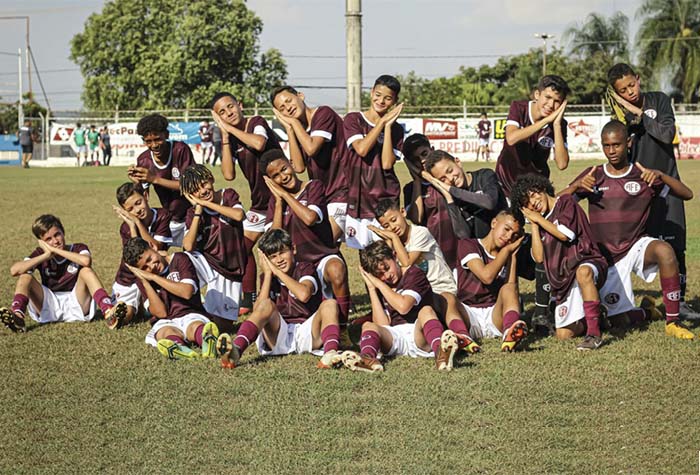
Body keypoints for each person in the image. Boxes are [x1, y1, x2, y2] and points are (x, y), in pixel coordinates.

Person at [560, 120, 695, 339]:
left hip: (635, 246)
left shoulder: (644, 175)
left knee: (665, 251)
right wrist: (575, 187)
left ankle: (673, 321)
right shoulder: (594, 174)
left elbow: (687, 194)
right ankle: (649, 312)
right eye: (606, 145)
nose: (611, 151)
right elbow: (556, 205)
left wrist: (660, 175)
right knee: (618, 322)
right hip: (606, 257)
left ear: (629, 143)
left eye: (617, 145)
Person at [606, 63, 698, 320]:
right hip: (637, 192)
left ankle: (678, 302)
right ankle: (619, 300)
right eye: (623, 91)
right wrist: (626, 122)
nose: (630, 92)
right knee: (628, 247)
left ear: (638, 78)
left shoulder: (659, 100)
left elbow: (667, 135)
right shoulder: (619, 118)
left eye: (631, 85)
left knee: (676, 246)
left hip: (668, 186)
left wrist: (640, 114)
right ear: (616, 93)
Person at [216, 229, 343, 370]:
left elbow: (304, 294)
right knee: (265, 304)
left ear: (293, 249)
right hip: (278, 335)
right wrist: (269, 274)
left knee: (330, 304)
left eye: (282, 252)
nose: (279, 260)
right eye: (273, 257)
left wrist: (277, 272)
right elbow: (259, 308)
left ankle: (330, 353)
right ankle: (236, 350)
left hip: (308, 332)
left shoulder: (305, 268)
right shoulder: (268, 278)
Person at [369, 199, 480, 355]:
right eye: (386, 226)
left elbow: (406, 262)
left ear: (403, 212)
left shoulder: (420, 233)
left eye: (394, 220)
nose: (392, 227)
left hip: (439, 288)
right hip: (415, 292)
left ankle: (463, 337)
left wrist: (392, 239)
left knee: (443, 300)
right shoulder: (391, 244)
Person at [511, 174, 608, 350]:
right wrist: (533, 224)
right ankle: (596, 316)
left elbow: (565, 234)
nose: (533, 203)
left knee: (583, 272)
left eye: (533, 195)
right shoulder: (540, 220)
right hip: (564, 279)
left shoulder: (565, 202)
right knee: (563, 335)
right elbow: (539, 258)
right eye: (527, 203)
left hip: (587, 262)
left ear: (541, 188)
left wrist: (538, 219)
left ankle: (594, 335)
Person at [340, 241, 465, 372]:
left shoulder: (414, 274)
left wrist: (379, 283)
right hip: (397, 335)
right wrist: (372, 288)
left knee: (426, 311)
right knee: (368, 325)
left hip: (421, 333)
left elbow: (403, 306)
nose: (386, 276)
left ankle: (441, 352)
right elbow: (382, 324)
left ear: (394, 256)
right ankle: (366, 359)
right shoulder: (380, 285)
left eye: (387, 268)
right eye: (379, 274)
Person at [209, 91, 283, 315]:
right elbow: (228, 175)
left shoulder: (255, 122)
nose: (228, 113)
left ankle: (275, 297)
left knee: (275, 249)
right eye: (222, 112)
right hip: (259, 203)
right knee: (241, 248)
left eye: (230, 107)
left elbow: (259, 144)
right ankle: (248, 297)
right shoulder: (230, 137)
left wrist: (230, 128)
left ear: (240, 105)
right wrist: (224, 135)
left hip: (279, 198)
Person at [260, 149, 352, 328]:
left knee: (336, 269)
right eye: (276, 176)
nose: (283, 176)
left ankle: (342, 328)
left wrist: (286, 195)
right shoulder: (274, 203)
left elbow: (310, 218)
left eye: (284, 169)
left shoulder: (313, 187)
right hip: (296, 263)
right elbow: (273, 239)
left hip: (321, 256)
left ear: (292, 165)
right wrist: (279, 203)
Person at [0, 214, 126, 333]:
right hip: (48, 304)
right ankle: (17, 316)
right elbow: (14, 270)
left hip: (77, 302)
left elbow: (86, 261)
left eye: (57, 235)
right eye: (48, 239)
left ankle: (109, 311)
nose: (55, 241)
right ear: (42, 242)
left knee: (86, 271)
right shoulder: (40, 254)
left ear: (63, 232)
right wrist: (45, 255)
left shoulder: (78, 248)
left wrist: (55, 250)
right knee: (25, 276)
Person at [271, 86, 350, 241]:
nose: (288, 108)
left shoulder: (323, 113)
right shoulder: (298, 128)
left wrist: (294, 123)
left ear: (300, 95)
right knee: (326, 249)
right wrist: (290, 129)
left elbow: (312, 148)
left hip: (343, 191)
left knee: (322, 242)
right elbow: (299, 168)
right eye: (282, 108)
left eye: (289, 101)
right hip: (322, 195)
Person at [122, 237, 220, 360]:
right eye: (144, 267)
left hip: (191, 313)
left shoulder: (179, 259)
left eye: (150, 259)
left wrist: (154, 277)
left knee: (195, 327)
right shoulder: (142, 279)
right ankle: (179, 349)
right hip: (166, 320)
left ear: (153, 247)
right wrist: (145, 281)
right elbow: (161, 313)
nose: (151, 267)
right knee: (165, 332)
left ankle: (207, 341)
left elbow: (187, 292)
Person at [180, 165, 247, 333]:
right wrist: (198, 210)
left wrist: (205, 203)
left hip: (230, 269)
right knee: (181, 259)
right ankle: (177, 310)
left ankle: (197, 315)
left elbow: (239, 215)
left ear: (211, 179)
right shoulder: (193, 212)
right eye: (196, 190)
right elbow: (188, 246)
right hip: (208, 264)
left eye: (204, 184)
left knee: (222, 327)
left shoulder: (228, 195)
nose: (203, 191)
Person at [342, 75, 404, 249]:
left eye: (388, 98)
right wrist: (382, 122)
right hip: (359, 198)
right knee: (364, 252)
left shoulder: (397, 129)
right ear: (371, 93)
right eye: (378, 95)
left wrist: (388, 127)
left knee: (387, 250)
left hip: (385, 197)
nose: (381, 101)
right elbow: (361, 149)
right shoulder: (353, 119)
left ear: (395, 101)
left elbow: (386, 164)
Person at [456, 210, 528, 352]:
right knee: (447, 298)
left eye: (514, 235)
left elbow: (511, 290)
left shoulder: (507, 253)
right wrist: (506, 251)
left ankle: (509, 333)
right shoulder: (468, 245)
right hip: (469, 314)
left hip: (494, 315)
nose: (508, 237)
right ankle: (462, 336)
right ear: (494, 223)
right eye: (506, 229)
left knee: (509, 288)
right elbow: (486, 276)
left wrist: (512, 257)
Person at [111, 182, 173, 328]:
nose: (137, 211)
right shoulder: (126, 228)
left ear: (146, 195)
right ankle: (117, 313)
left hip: (153, 273)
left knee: (167, 305)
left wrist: (137, 223)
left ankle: (143, 306)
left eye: (138, 203)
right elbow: (136, 254)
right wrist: (133, 226)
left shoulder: (162, 216)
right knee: (128, 313)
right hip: (130, 278)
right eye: (130, 209)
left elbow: (157, 248)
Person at [128, 113, 194, 247]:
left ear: (167, 135)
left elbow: (191, 185)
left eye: (158, 139)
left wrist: (154, 179)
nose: (154, 145)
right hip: (168, 218)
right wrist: (136, 182)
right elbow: (143, 197)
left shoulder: (180, 150)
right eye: (148, 141)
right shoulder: (144, 160)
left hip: (191, 215)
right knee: (155, 255)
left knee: (190, 257)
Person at [421, 150, 507, 241]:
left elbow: (489, 202)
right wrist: (449, 198)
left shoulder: (485, 176)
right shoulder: (450, 198)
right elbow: (463, 235)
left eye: (450, 171)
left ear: (458, 162)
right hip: (481, 251)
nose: (450, 179)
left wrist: (450, 189)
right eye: (443, 180)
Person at [401, 134, 459, 269]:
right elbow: (417, 218)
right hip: (434, 251)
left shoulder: (447, 177)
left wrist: (429, 177)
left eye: (424, 153)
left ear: (432, 149)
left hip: (459, 246)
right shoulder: (410, 189)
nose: (422, 160)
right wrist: (417, 181)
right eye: (415, 159)